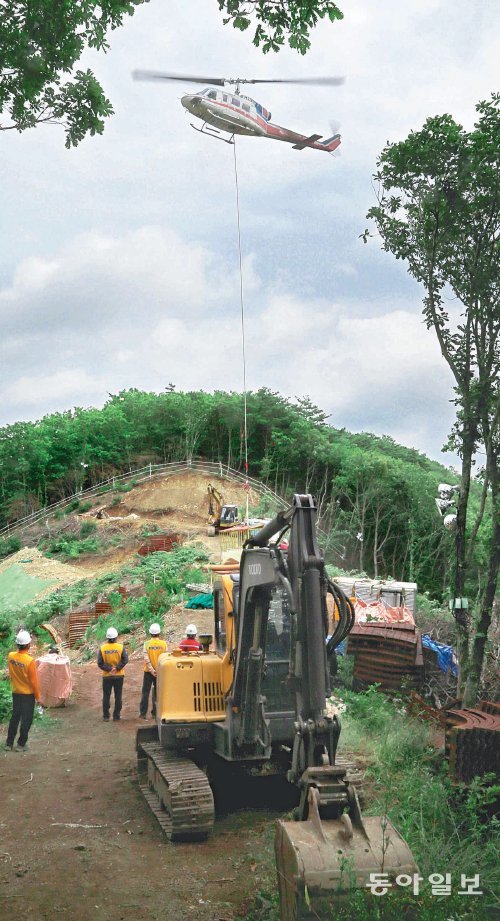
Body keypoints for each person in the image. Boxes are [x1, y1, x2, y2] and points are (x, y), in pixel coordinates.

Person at [4, 629, 41, 752]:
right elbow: (34, 682)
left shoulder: (10, 656)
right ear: (28, 645)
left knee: (15, 717)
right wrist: (38, 697)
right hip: (27, 695)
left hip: (16, 692)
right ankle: (21, 744)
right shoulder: (30, 661)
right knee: (26, 719)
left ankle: (9, 743)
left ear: (17, 644)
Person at [97, 627, 128, 721]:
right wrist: (117, 668)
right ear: (116, 637)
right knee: (118, 696)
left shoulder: (102, 648)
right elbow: (125, 660)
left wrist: (109, 669)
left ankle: (106, 716)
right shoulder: (120, 647)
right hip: (119, 675)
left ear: (107, 638)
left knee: (106, 696)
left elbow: (100, 663)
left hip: (107, 676)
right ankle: (116, 716)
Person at [139, 623, 167, 720]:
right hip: (160, 672)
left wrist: (151, 670)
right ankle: (155, 713)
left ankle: (143, 714)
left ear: (150, 633)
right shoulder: (164, 644)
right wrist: (157, 670)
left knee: (145, 692)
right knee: (158, 693)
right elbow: (165, 659)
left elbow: (146, 659)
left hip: (148, 672)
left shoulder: (146, 644)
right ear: (159, 633)